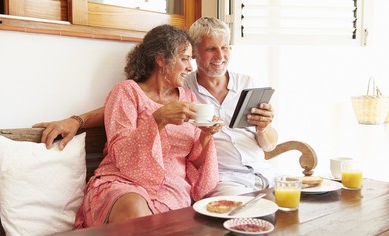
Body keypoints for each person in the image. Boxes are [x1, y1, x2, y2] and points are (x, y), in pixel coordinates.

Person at [33, 17, 277, 197]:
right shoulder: (183, 86)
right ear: (195, 55)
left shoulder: (248, 84)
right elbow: (128, 104)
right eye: (211, 48)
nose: (220, 55)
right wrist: (77, 120)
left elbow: (270, 143)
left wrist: (264, 128)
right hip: (225, 180)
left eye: (225, 47)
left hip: (261, 170)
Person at [70, 24, 220, 228]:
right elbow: (120, 153)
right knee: (134, 207)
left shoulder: (188, 98)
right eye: (184, 58)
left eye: (190, 59)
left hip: (170, 189)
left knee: (153, 225)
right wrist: (158, 120)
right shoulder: (127, 92)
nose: (190, 67)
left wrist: (206, 135)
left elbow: (194, 160)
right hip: (124, 183)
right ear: (161, 59)